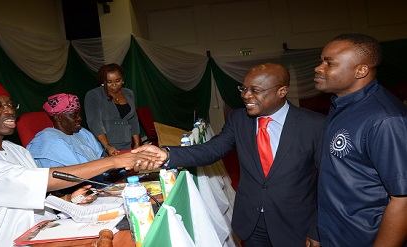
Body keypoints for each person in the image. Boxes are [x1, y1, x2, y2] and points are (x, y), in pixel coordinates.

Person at [134, 63, 326, 247]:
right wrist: (166, 154)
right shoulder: (239, 119)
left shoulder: (314, 125)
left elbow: (328, 182)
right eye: (243, 88)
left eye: (255, 90)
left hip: (296, 224)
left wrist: (317, 228)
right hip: (251, 223)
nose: (246, 95)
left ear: (281, 91)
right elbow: (212, 149)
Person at [0, 80, 161, 247]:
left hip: (46, 231)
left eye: (10, 104)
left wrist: (68, 200)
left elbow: (30, 197)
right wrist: (114, 161)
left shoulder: (16, 150)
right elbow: (36, 182)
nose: (9, 110)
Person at [314, 33, 407, 247]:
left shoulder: (386, 119)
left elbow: (403, 200)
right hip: (335, 234)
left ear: (361, 70)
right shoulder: (342, 105)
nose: (319, 68)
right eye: (321, 61)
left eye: (329, 63)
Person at [84, 63, 141, 157]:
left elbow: (133, 120)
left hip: (126, 143)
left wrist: (137, 144)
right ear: (103, 81)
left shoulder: (129, 93)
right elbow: (94, 123)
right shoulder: (94, 95)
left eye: (118, 81)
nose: (114, 85)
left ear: (122, 79)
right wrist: (107, 146)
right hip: (105, 145)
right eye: (109, 82)